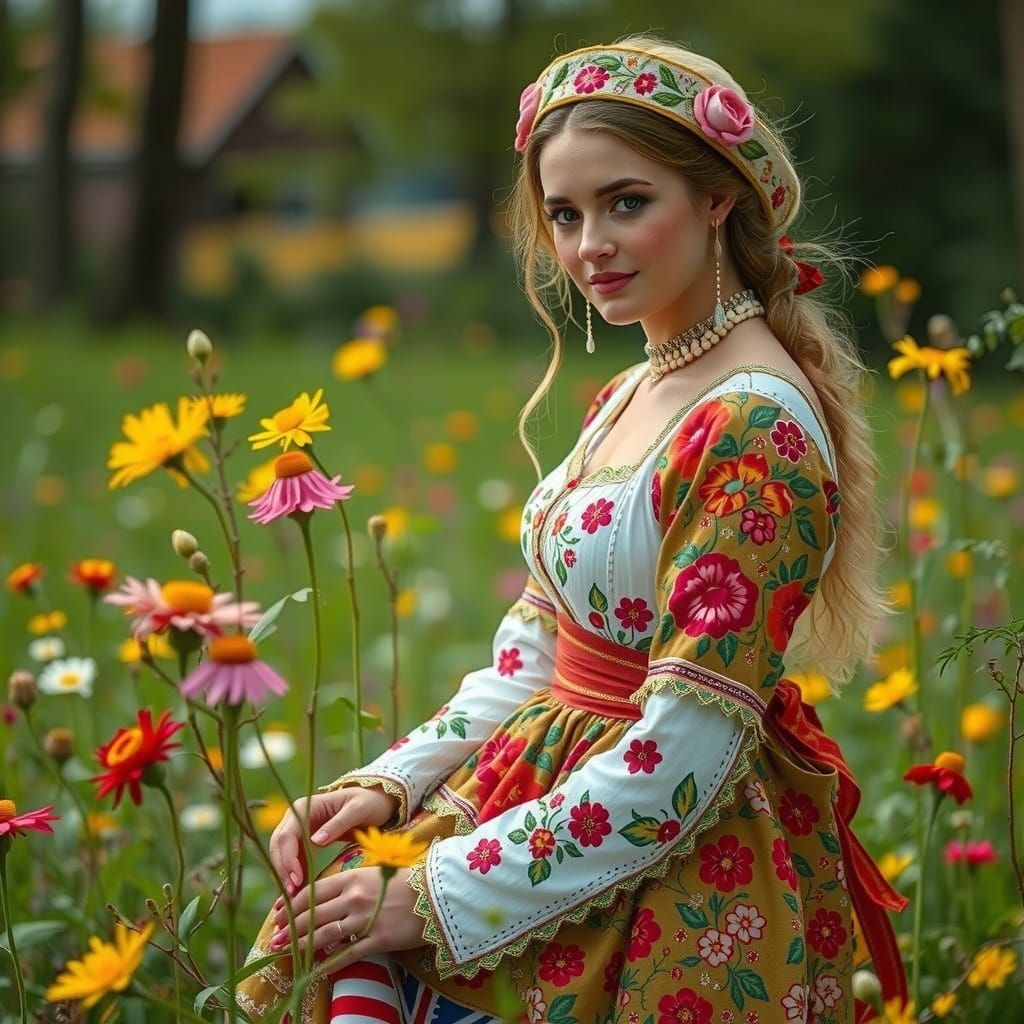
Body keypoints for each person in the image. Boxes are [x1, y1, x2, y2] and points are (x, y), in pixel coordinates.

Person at [238, 33, 909, 1024]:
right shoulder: (644, 383)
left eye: (626, 202)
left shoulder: (751, 424)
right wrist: (392, 782)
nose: (588, 241)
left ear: (715, 196)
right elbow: (540, 649)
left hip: (668, 861)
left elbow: (684, 750)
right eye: (564, 212)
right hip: (546, 798)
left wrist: (433, 892)